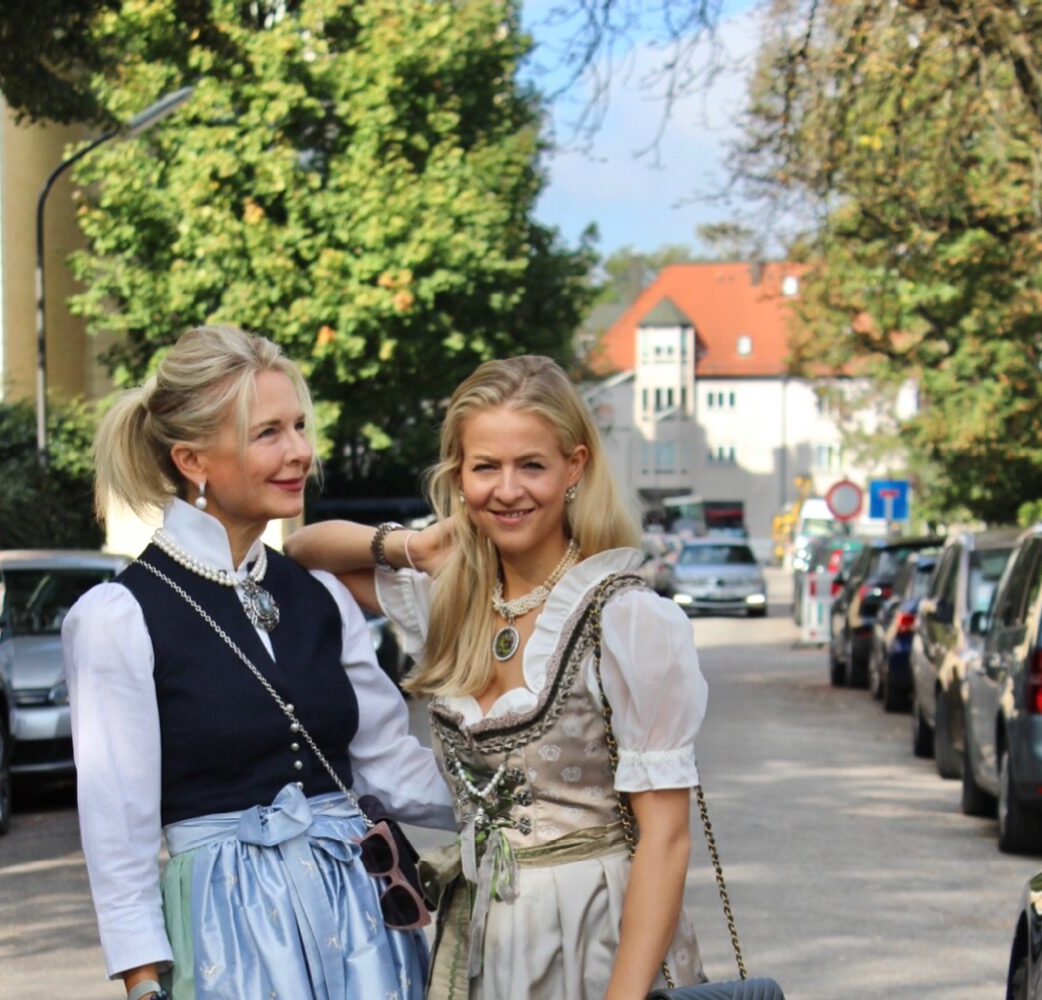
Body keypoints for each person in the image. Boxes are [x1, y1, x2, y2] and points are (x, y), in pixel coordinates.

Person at [285, 355, 709, 1000]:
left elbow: (667, 838)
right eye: (486, 466)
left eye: (531, 465)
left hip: (600, 933)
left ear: (575, 466)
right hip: (486, 931)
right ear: (459, 476)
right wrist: (414, 547)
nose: (507, 490)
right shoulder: (448, 602)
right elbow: (304, 551)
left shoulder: (625, 619)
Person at [63, 325, 454, 1000]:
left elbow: (389, 766)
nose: (300, 451)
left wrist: (524, 802)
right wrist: (141, 981)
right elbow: (117, 829)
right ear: (194, 461)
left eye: (299, 426)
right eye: (268, 432)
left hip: (362, 919)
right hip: (227, 933)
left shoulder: (322, 594)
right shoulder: (117, 618)